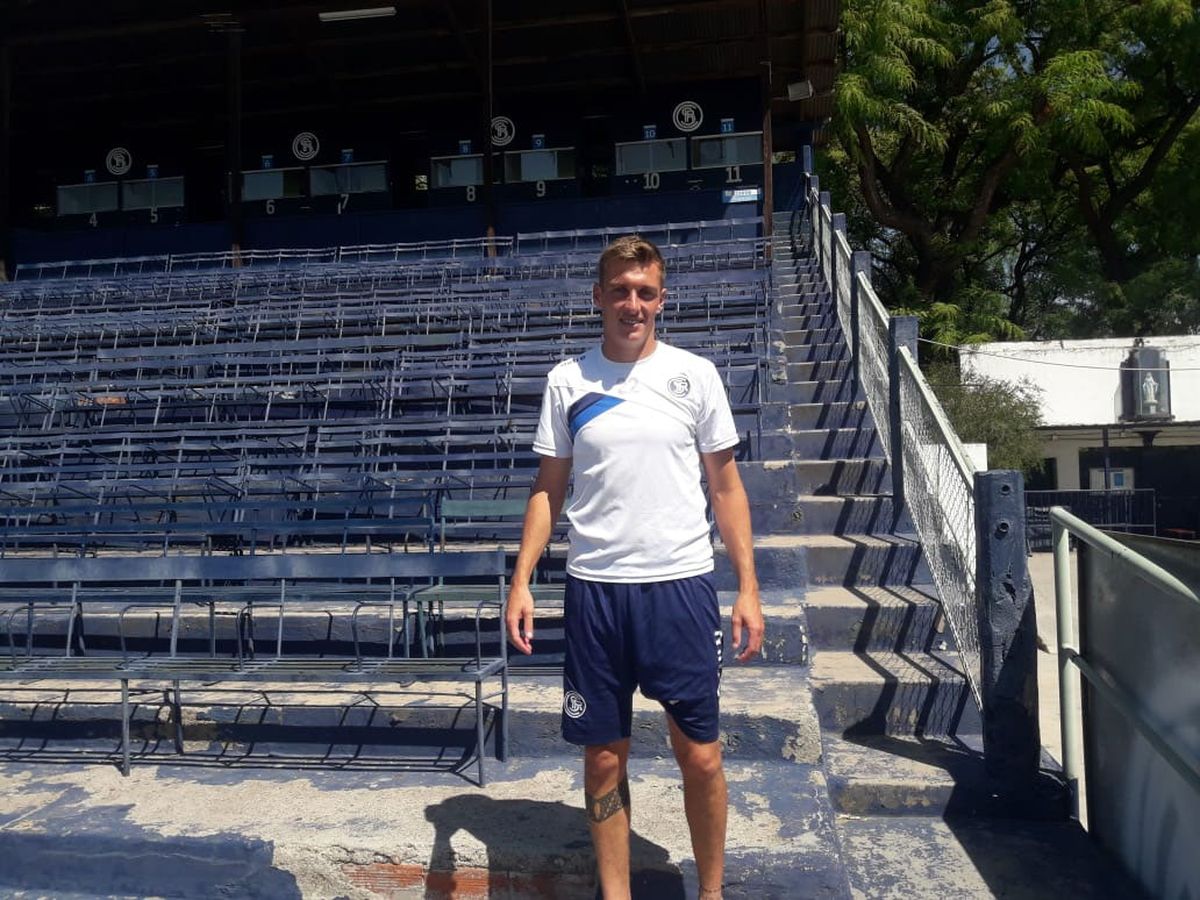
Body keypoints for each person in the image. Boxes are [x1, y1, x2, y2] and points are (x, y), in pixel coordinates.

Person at [506, 235, 764, 900]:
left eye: (645, 292)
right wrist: (522, 579)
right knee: (601, 762)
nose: (632, 303)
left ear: (661, 299)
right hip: (596, 593)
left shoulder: (695, 376)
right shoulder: (568, 381)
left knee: (700, 757)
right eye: (620, 291)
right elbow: (547, 488)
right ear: (598, 297)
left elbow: (727, 489)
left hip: (679, 589)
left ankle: (711, 893)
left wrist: (748, 589)